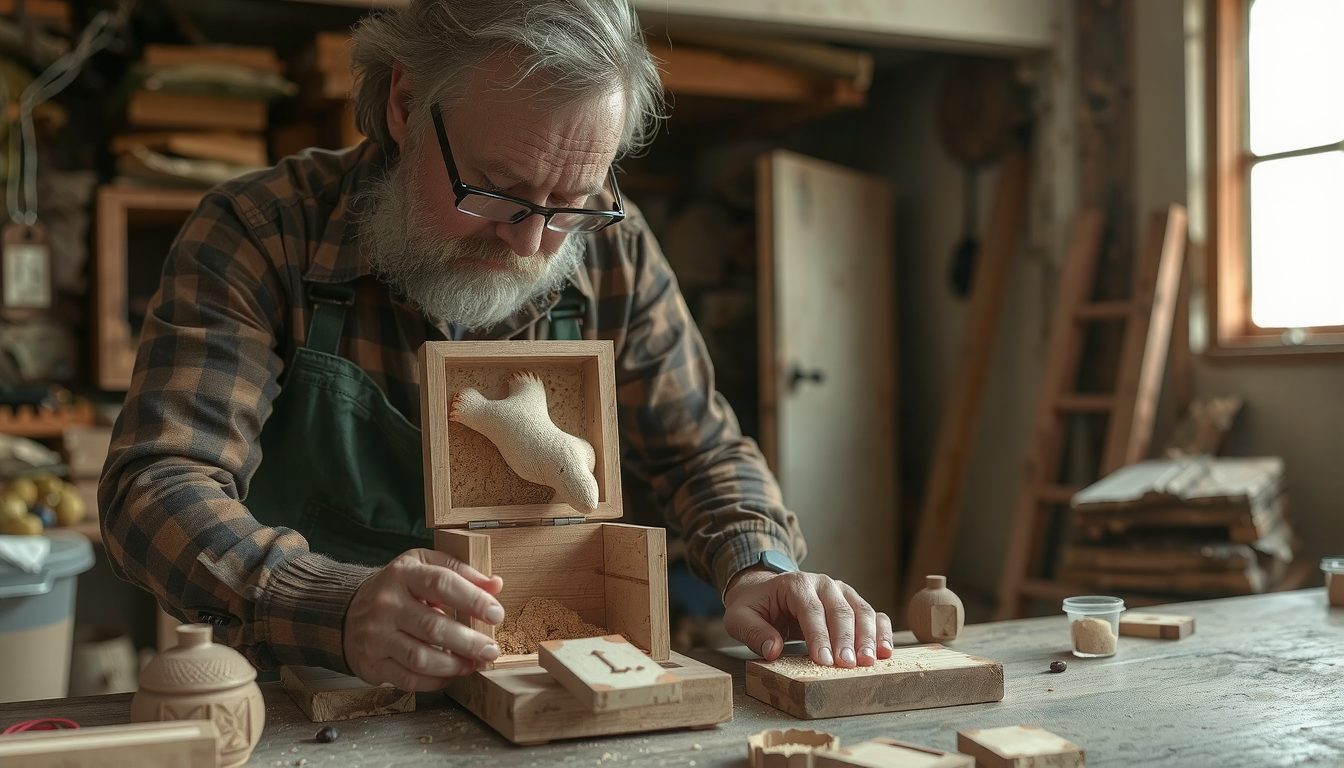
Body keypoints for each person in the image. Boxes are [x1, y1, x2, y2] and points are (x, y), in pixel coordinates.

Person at [100, 0, 893, 692]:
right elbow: (157, 483)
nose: (533, 242)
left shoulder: (611, 250)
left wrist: (760, 565)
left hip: (542, 687)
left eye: (573, 202)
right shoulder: (261, 233)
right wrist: (327, 600)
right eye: (499, 189)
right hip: (310, 698)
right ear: (407, 105)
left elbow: (703, 452)